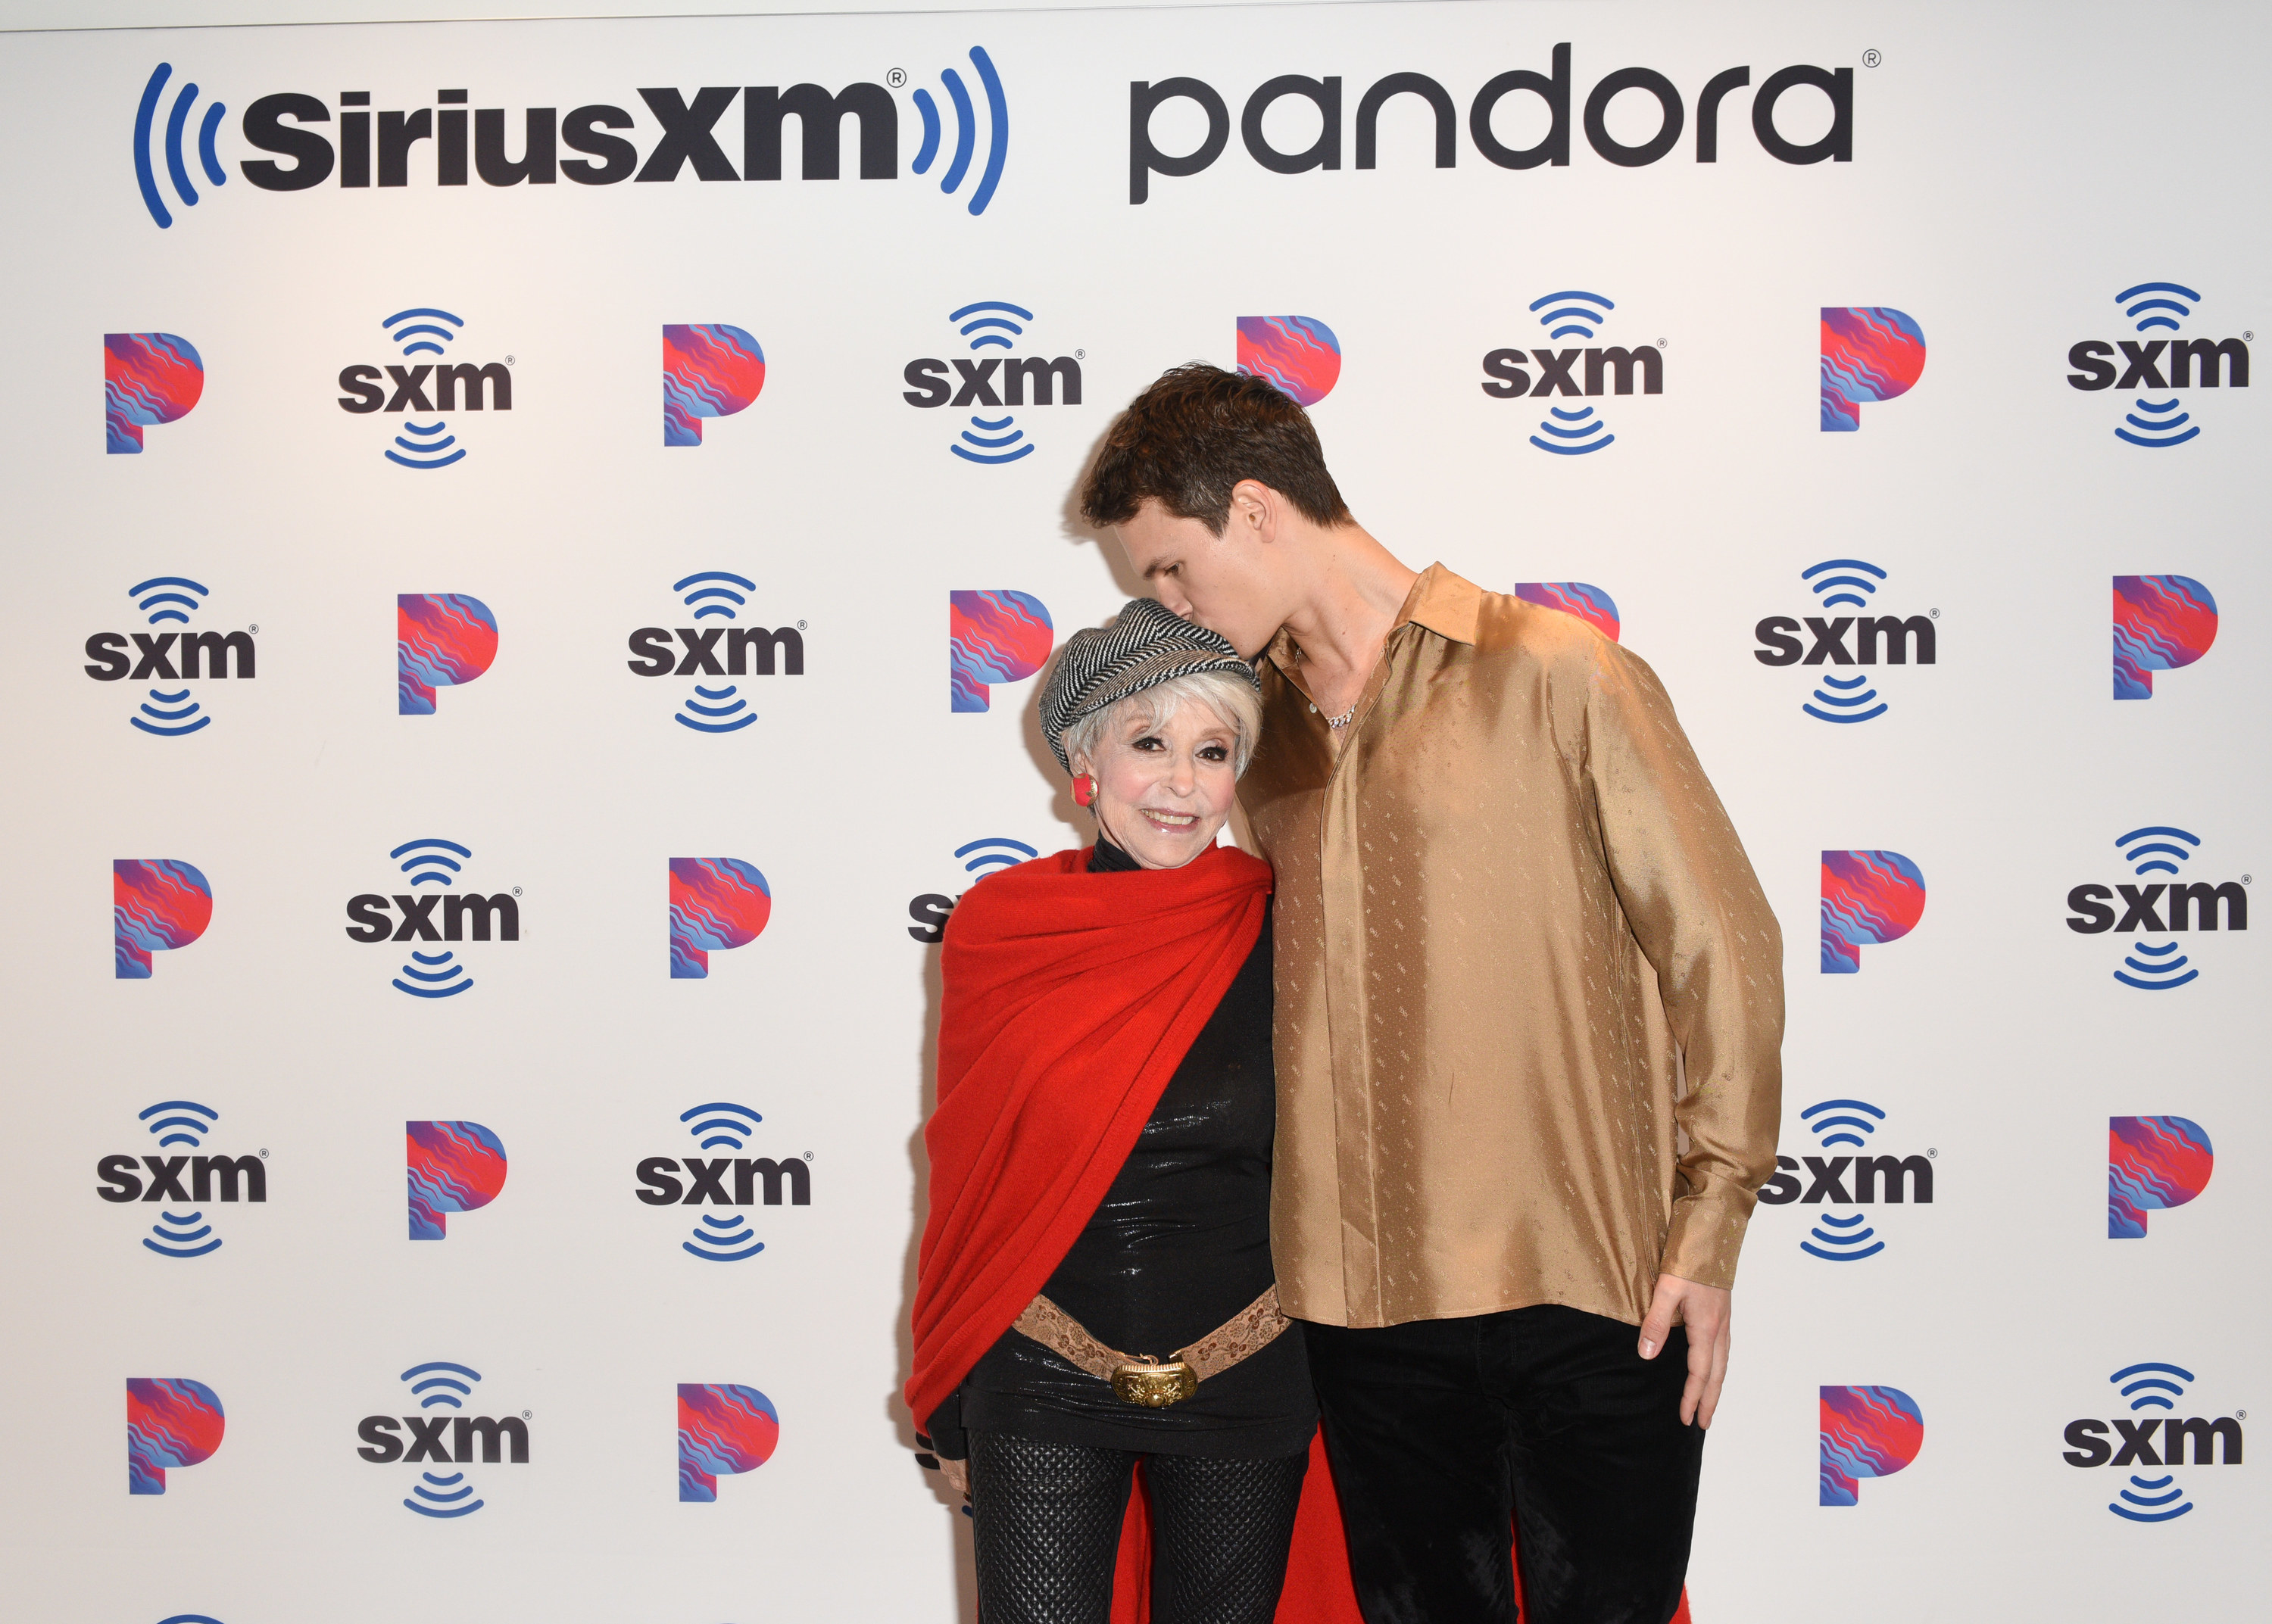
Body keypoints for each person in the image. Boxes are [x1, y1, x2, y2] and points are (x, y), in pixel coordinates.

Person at [1076, 365, 1785, 1624]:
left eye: (1172, 571)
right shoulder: (1260, 745)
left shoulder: (1560, 674)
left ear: (1254, 510)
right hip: (1362, 1315)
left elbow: (1724, 946)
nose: (1171, 608)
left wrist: (1710, 1227)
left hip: (1589, 1289)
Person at [907, 598, 1319, 1624]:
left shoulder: (1289, 923)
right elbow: (971, 1177)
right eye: (1150, 743)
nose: (1183, 782)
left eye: (1213, 749)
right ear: (1085, 762)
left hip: (1248, 1373)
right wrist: (954, 1391)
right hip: (1042, 1372)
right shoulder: (1002, 931)